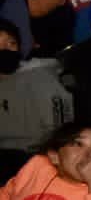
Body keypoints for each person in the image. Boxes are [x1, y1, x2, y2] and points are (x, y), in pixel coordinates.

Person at [0, 19, 72, 178]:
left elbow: (60, 128)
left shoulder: (40, 77)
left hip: (34, 156)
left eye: (11, 43)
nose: (5, 49)